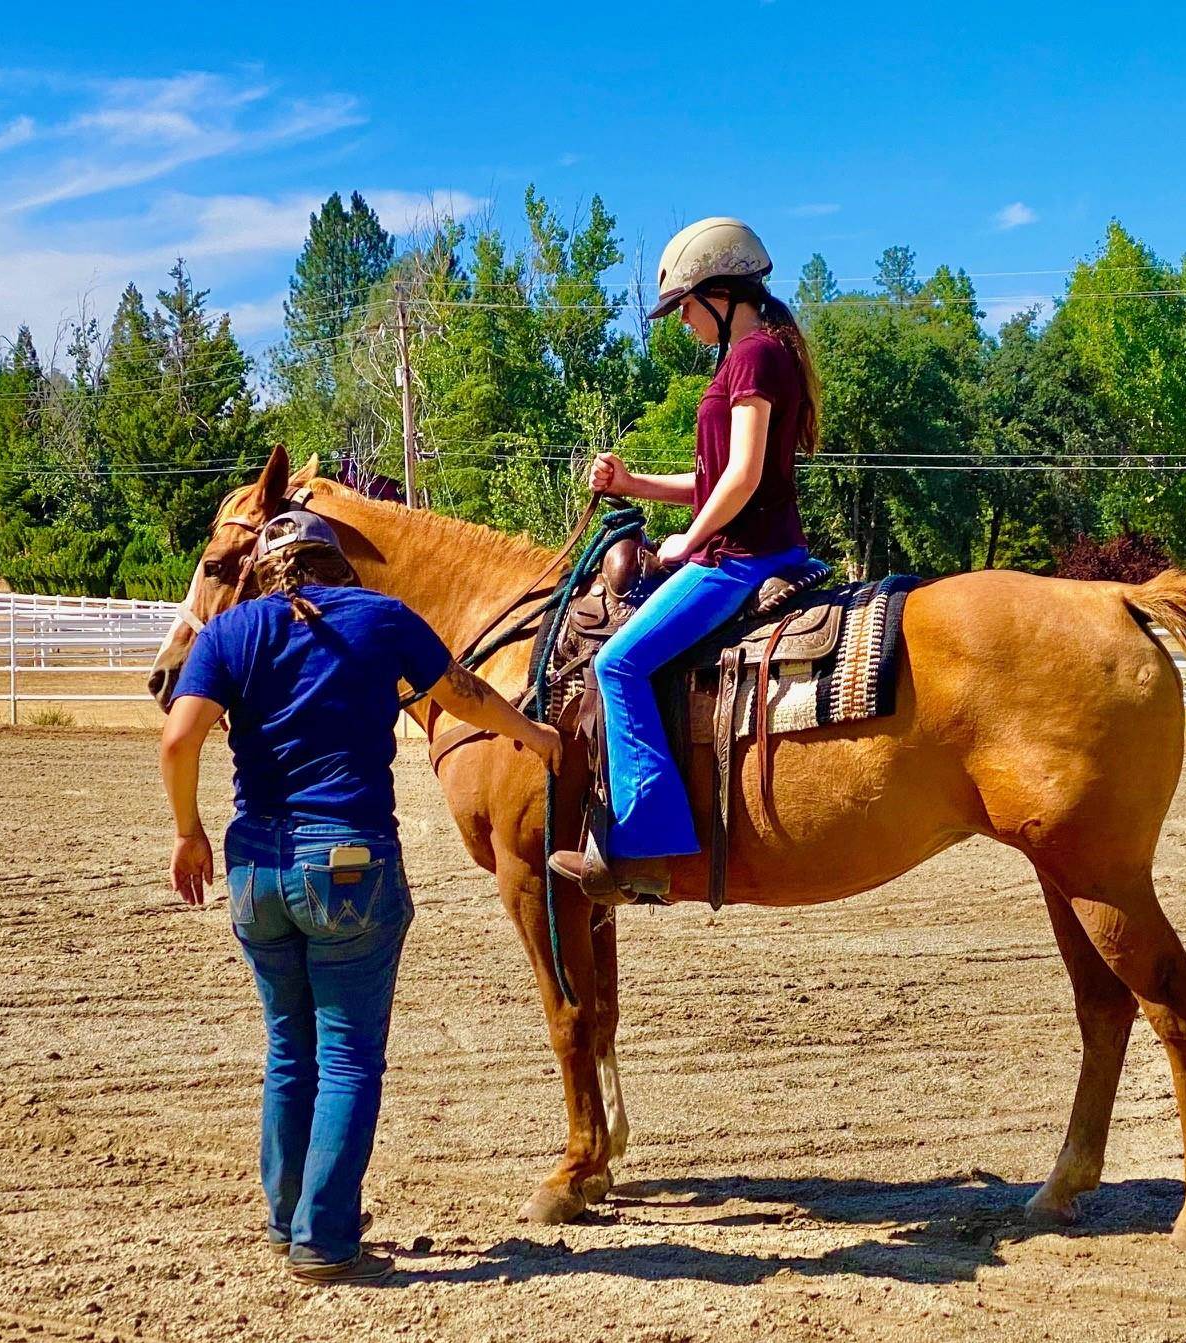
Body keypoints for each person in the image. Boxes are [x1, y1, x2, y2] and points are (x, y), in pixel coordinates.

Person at [160, 510, 560, 1285]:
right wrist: (534, 736)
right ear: (336, 563)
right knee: (347, 1056)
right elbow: (465, 695)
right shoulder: (382, 618)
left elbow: (179, 739)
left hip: (255, 868)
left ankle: (286, 1223)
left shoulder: (232, 632)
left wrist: (188, 832)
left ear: (269, 570)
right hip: (347, 858)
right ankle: (325, 1237)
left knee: (288, 1050)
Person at [549, 217, 823, 902]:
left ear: (720, 294)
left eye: (683, 308)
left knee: (618, 662)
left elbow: (744, 477)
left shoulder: (755, 356)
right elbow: (714, 478)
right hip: (745, 547)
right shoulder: (751, 354)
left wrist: (692, 541)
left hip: (741, 560)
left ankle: (645, 845)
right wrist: (633, 485)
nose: (680, 324)